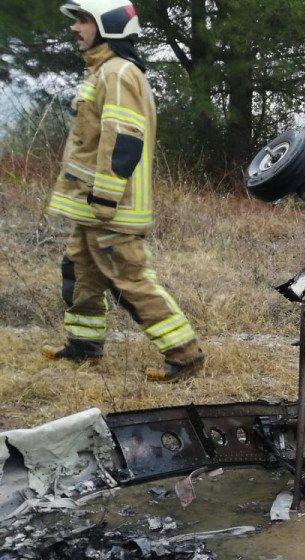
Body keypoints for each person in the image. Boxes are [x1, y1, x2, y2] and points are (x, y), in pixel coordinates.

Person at [42, 0, 204, 382]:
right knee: (79, 270)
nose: (75, 28)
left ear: (107, 25)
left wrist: (105, 196)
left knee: (130, 279)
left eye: (83, 20)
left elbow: (124, 139)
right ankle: (84, 346)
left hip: (110, 206)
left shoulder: (117, 73)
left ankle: (186, 356)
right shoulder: (103, 72)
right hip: (92, 203)